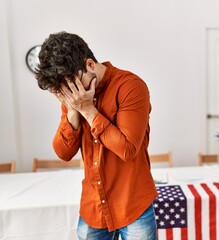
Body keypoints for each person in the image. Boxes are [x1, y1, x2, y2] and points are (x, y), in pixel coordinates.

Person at [35, 31, 158, 240]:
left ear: (90, 65)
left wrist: (88, 111)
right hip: (93, 206)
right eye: (63, 91)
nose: (70, 95)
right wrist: (73, 111)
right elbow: (63, 153)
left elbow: (127, 149)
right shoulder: (74, 98)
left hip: (132, 203)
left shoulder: (131, 86)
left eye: (71, 86)